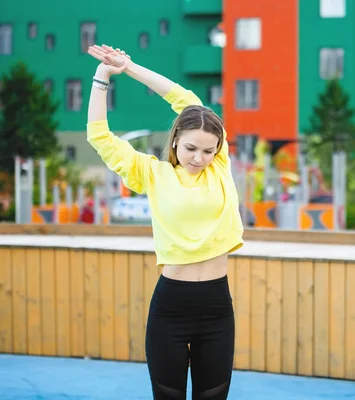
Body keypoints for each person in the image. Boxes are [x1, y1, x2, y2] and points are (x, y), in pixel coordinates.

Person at [86, 44, 244, 399]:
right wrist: (106, 76)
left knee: (213, 396)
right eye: (190, 148)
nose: (199, 158)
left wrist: (132, 67)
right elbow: (99, 137)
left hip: (218, 306)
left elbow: (185, 98)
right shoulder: (151, 173)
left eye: (208, 150)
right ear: (175, 140)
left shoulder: (219, 167)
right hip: (171, 306)